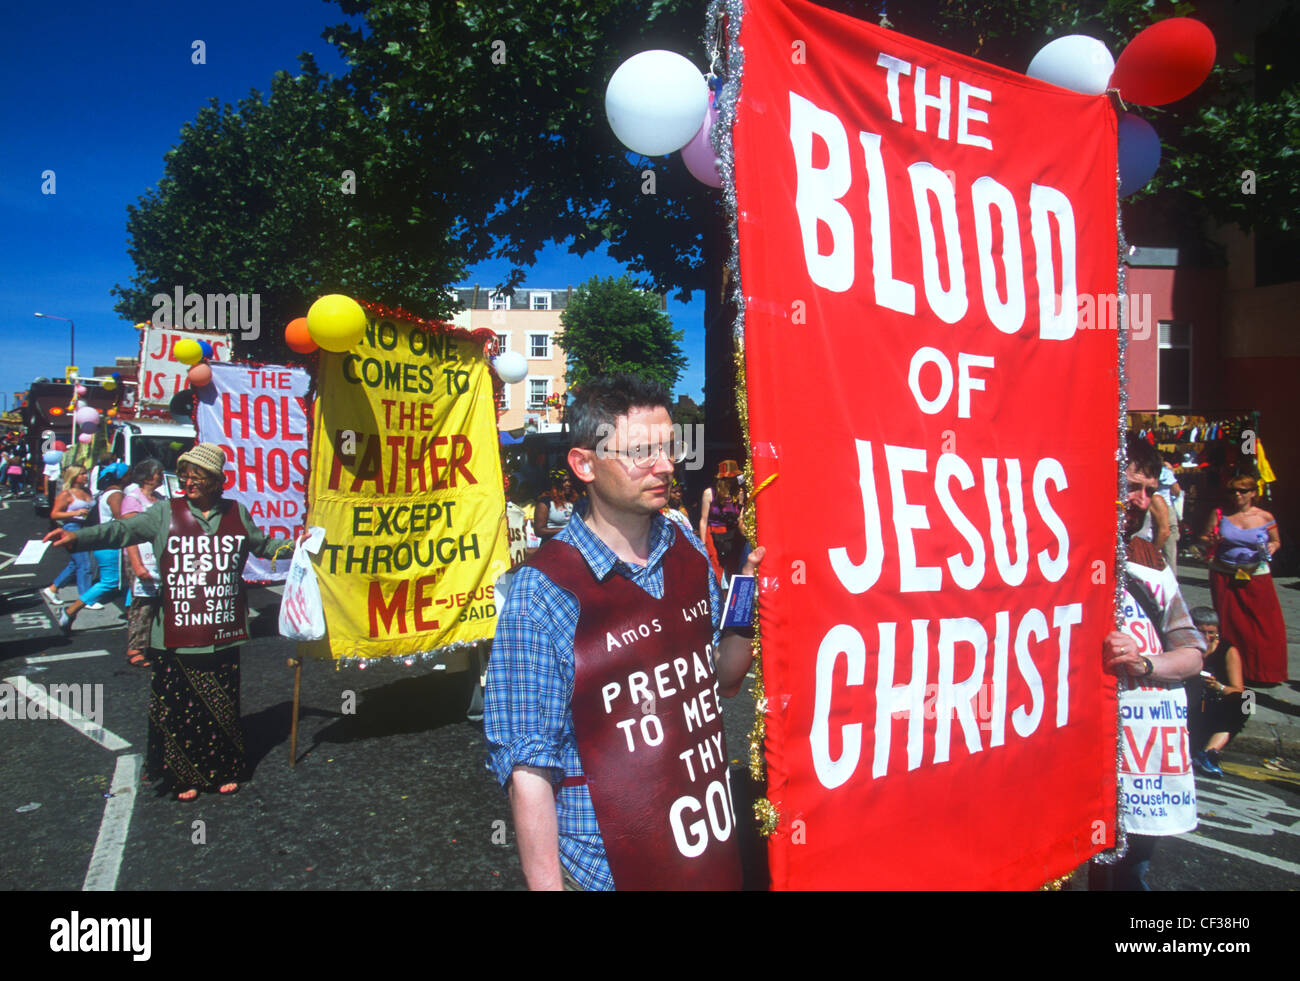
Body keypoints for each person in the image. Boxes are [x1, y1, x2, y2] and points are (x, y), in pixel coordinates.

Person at [484, 374, 765, 891]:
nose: (665, 466)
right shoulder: (540, 595)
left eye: (668, 448)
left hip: (707, 857)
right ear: (584, 464)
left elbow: (724, 677)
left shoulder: (682, 539)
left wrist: (747, 585)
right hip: (608, 871)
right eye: (641, 452)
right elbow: (527, 766)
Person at [44, 443, 295, 801]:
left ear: (214, 480)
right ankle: (183, 776)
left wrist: (299, 546)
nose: (188, 482)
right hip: (175, 632)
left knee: (221, 706)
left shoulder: (236, 513)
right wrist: (76, 538)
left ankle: (222, 769)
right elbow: (120, 532)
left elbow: (264, 545)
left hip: (221, 631)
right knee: (179, 709)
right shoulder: (165, 512)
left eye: (196, 476)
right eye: (186, 475)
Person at [1092, 435, 1205, 891]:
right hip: (1085, 742)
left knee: (1129, 870)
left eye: (1150, 491)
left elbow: (1193, 655)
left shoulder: (1150, 560)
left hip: (1144, 748)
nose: (1142, 501)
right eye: (1132, 486)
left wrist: (1144, 663)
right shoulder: (1064, 551)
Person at [1200, 473, 1287, 686]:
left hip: (1256, 574)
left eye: (1242, 491)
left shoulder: (1265, 517)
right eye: (1233, 491)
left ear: (1253, 493)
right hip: (1224, 574)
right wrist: (1210, 539)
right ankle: (1233, 670)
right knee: (1230, 623)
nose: (1237, 495)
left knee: (1264, 624)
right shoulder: (1220, 514)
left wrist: (1271, 548)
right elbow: (1203, 537)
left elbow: (1276, 541)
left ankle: (1265, 673)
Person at [56, 463, 129, 632]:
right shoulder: (116, 494)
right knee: (109, 583)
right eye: (128, 474)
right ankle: (70, 611)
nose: (130, 477)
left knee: (128, 582)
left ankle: (131, 615)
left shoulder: (106, 493)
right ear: (122, 477)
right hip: (111, 544)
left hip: (106, 543)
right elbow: (123, 521)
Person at [1185, 607, 1249, 778]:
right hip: (1190, 703)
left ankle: (1209, 752)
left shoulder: (1228, 651)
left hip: (1214, 705)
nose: (1206, 637)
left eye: (1211, 632)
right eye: (1201, 632)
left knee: (1248, 700)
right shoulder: (1184, 646)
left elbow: (1238, 689)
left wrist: (1218, 686)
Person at [117, 459, 167, 668]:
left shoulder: (160, 498)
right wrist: (137, 566)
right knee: (143, 604)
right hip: (141, 558)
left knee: (160, 602)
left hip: (158, 556)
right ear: (148, 477)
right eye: (159, 472)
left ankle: (156, 643)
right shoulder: (132, 499)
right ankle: (135, 648)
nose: (162, 476)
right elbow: (130, 534)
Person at [40, 466, 95, 605]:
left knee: (75, 564)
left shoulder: (87, 491)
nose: (85, 476)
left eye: (86, 473)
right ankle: (86, 599)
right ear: (74, 476)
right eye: (82, 474)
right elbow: (54, 514)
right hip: (71, 528)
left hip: (85, 528)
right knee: (84, 565)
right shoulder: (66, 494)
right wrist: (74, 513)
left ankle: (52, 589)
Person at [699, 460, 746, 584]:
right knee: (715, 566)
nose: (732, 481)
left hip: (731, 534)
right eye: (729, 478)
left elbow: (739, 517)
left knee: (733, 567)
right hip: (713, 533)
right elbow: (703, 520)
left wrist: (740, 503)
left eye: (734, 478)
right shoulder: (709, 493)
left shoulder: (737, 493)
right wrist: (702, 544)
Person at [533, 469, 576, 541]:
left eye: (569, 481)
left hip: (571, 544)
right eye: (564, 481)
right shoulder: (546, 502)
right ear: (556, 484)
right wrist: (566, 530)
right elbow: (539, 531)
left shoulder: (572, 500)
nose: (568, 484)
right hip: (552, 544)